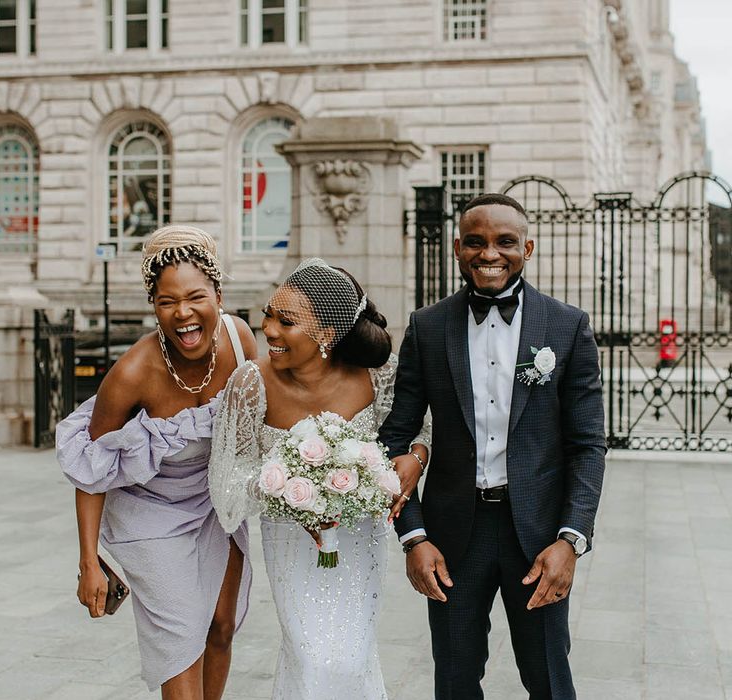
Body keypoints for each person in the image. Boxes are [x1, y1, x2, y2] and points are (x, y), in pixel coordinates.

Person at [379, 193, 606, 699]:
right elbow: (393, 436)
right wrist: (413, 536)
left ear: (527, 248)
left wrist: (571, 540)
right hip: (453, 538)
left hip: (539, 536)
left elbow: (588, 445)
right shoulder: (427, 327)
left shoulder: (567, 327)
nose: (490, 254)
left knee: (549, 680)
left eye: (505, 242)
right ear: (458, 247)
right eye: (476, 242)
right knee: (455, 681)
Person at [207, 258, 430, 700]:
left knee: (353, 653)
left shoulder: (377, 374)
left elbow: (419, 426)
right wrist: (285, 487)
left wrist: (417, 458)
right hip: (291, 539)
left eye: (285, 321)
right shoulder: (250, 384)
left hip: (361, 537)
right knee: (310, 652)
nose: (268, 329)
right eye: (268, 314)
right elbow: (227, 476)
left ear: (326, 333)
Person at [56, 225, 257, 699]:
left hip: (214, 502)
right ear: (154, 307)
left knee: (221, 625)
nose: (183, 313)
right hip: (147, 512)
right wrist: (89, 561)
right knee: (181, 636)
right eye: (167, 302)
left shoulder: (240, 340)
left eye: (195, 297)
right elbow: (90, 469)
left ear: (218, 295)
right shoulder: (132, 372)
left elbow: (260, 418)